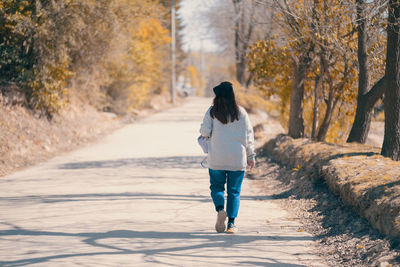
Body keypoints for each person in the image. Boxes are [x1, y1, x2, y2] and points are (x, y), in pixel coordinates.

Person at [199, 81, 255, 234]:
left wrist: (207, 133)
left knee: (216, 187)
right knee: (234, 191)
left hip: (217, 157)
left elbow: (204, 132)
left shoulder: (212, 112)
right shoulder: (241, 112)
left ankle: (219, 209)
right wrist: (251, 156)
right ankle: (231, 224)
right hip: (237, 158)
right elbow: (249, 136)